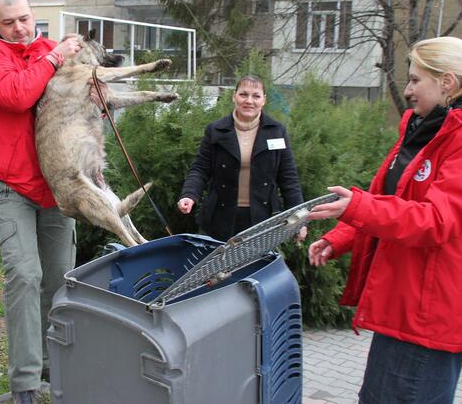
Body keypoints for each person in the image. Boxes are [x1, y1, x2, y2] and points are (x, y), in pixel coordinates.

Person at [308, 36, 462, 403]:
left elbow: (435, 221)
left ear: (447, 83)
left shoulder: (455, 139)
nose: (407, 91)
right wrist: (341, 235)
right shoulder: (420, 130)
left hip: (426, 316)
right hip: (401, 306)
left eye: (415, 80)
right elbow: (387, 200)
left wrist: (357, 208)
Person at [0, 0, 97, 404]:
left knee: (60, 280)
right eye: (10, 22)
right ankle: (24, 382)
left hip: (57, 187)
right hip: (13, 189)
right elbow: (19, 95)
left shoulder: (48, 50)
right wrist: (57, 57)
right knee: (25, 277)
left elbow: (82, 95)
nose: (20, 28)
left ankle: (53, 367)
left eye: (24, 18)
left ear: (33, 16)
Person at [177, 75, 306, 241]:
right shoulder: (215, 130)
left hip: (262, 220)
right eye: (243, 94)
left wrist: (300, 219)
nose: (249, 101)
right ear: (234, 96)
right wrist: (189, 194)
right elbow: (200, 168)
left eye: (256, 96)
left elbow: (289, 178)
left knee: (256, 267)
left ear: (264, 100)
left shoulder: (277, 131)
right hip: (218, 218)